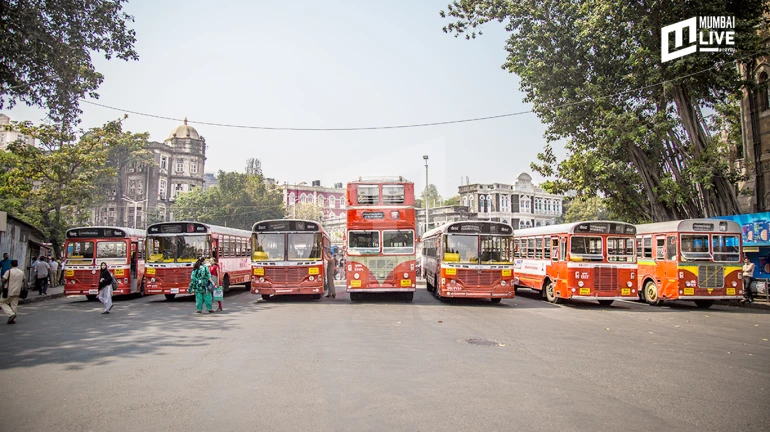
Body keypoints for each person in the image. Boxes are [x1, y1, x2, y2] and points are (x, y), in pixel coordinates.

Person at [1, 260, 24, 324]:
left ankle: (11, 314)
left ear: (11, 265)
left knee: (2, 302)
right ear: (17, 264)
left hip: (8, 290)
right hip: (17, 291)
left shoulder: (9, 272)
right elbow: (23, 280)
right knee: (14, 304)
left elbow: (3, 280)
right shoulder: (21, 272)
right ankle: (13, 319)